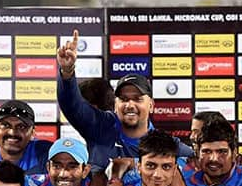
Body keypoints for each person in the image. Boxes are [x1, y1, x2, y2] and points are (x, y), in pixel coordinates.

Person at [56, 30, 193, 174]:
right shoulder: (101, 126)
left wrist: (130, 163)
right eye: (124, 99)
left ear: (151, 105)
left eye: (137, 99)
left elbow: (198, 162)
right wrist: (67, 71)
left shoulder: (166, 144)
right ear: (115, 105)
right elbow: (72, 106)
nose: (130, 105)